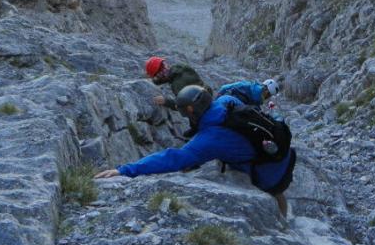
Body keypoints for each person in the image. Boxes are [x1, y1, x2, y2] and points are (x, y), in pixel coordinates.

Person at [95, 85, 296, 216]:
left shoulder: (209, 140)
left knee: (272, 192)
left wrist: (125, 170)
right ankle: (286, 217)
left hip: (268, 171)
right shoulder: (226, 102)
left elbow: (174, 158)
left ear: (191, 112)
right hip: (282, 154)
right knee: (279, 192)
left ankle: (281, 222)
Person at [144, 56, 209, 111]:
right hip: (207, 95)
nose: (164, 68)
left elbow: (183, 106)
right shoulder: (179, 67)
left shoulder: (177, 84)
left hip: (203, 108)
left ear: (158, 75)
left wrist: (166, 101)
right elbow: (166, 77)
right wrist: (155, 81)